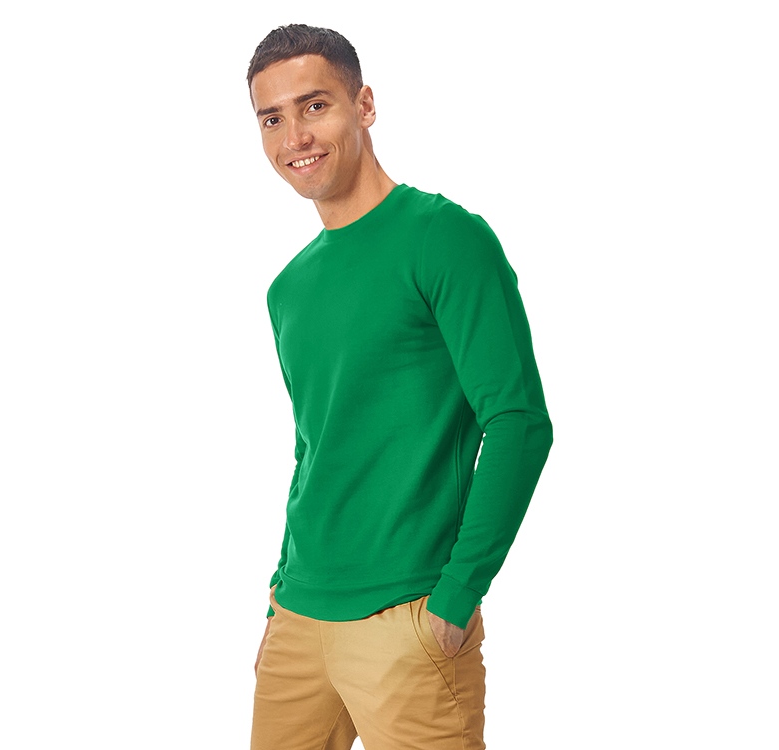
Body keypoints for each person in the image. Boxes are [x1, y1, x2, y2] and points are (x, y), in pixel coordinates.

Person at [247, 24, 553, 750]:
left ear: (364, 105)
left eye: (314, 105)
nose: (295, 136)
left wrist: (457, 595)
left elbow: (518, 420)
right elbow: (315, 448)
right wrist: (278, 597)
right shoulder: (288, 288)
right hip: (298, 620)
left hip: (408, 618)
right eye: (272, 118)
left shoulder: (444, 237)